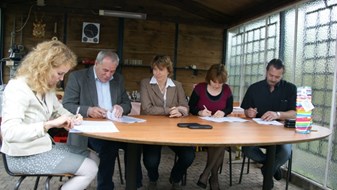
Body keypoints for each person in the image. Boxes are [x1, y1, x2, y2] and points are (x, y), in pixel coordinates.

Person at [0, 40, 98, 190]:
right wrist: (48, 125)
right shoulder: (18, 88)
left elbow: (58, 110)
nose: (61, 79)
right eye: (60, 73)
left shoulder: (45, 87)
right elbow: (9, 132)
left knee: (94, 157)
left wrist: (73, 117)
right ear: (44, 67)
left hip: (43, 147)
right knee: (90, 168)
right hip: (22, 156)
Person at [62, 50, 143, 189]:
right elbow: (67, 105)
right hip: (90, 130)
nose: (108, 75)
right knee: (109, 147)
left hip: (117, 127)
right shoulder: (78, 77)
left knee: (135, 145)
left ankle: (134, 184)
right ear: (96, 63)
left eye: (112, 71)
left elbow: (127, 104)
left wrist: (121, 108)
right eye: (105, 70)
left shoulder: (118, 79)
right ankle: (105, 187)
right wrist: (88, 110)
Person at [140, 55, 195, 190]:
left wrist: (180, 111)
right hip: (151, 130)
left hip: (174, 130)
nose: (157, 73)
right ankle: (153, 178)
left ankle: (175, 178)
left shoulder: (177, 85)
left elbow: (185, 106)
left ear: (168, 71)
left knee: (188, 156)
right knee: (150, 161)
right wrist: (170, 110)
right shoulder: (145, 83)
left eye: (161, 70)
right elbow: (147, 109)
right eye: (154, 69)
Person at [240, 58, 296, 185]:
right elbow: (246, 111)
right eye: (271, 75)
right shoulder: (254, 88)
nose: (273, 79)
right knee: (247, 150)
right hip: (257, 133)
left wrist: (278, 114)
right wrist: (249, 113)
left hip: (281, 134)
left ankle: (267, 170)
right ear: (266, 72)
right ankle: (271, 167)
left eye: (277, 76)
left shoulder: (290, 89)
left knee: (286, 152)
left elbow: (295, 113)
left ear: (282, 75)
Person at [188, 64, 233, 190]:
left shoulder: (227, 89)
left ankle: (208, 174)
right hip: (201, 127)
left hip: (219, 127)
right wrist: (200, 112)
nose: (217, 85)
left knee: (221, 141)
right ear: (209, 78)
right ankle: (212, 178)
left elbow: (229, 107)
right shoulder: (200, 88)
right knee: (221, 143)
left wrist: (224, 112)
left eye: (220, 83)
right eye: (214, 82)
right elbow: (190, 106)